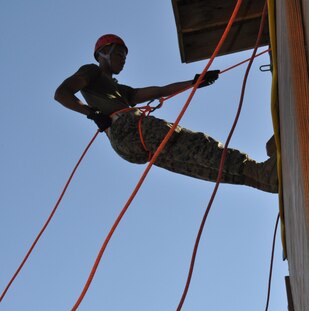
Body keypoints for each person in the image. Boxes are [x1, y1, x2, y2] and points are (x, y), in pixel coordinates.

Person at [54, 34, 278, 193]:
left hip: (126, 143)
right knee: (194, 144)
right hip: (128, 127)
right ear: (104, 52)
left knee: (190, 163)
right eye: (120, 53)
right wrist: (91, 113)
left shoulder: (118, 91)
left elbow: (158, 90)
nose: (124, 59)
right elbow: (61, 93)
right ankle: (260, 172)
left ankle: (265, 180)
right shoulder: (91, 71)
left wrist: (194, 82)